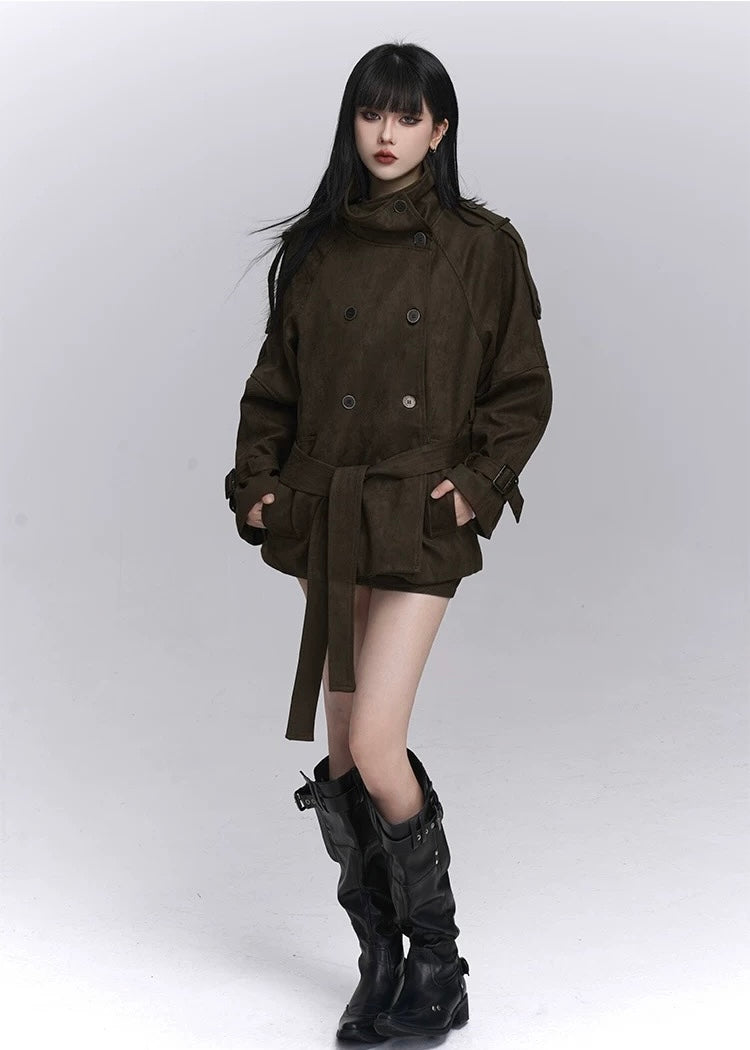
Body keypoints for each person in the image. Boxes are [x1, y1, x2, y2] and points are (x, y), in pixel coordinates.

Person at [225, 41, 553, 1042]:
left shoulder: (481, 246)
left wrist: (478, 487)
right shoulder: (315, 249)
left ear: (440, 131)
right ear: (352, 122)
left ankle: (440, 965)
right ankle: (380, 960)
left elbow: (521, 387)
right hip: (328, 515)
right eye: (373, 112)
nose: (387, 133)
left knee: (374, 743)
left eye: (409, 116)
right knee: (342, 756)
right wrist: (258, 487)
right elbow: (273, 389)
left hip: (414, 514)